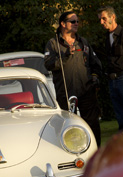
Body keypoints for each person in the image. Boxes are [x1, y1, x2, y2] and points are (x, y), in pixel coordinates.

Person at [44, 11, 102, 147]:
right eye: (73, 21)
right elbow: (48, 64)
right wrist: (64, 57)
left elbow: (96, 64)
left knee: (92, 125)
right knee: (68, 127)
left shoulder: (83, 42)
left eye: (77, 21)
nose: (76, 24)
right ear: (63, 24)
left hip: (86, 91)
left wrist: (94, 78)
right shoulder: (53, 44)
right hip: (65, 93)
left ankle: (96, 154)